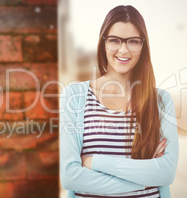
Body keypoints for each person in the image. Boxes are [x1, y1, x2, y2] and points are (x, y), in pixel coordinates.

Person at [59, 5, 179, 198]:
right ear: (103, 43)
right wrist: (144, 181)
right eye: (114, 40)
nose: (123, 50)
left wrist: (93, 162)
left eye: (132, 41)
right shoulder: (74, 96)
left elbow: (166, 173)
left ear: (143, 45)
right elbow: (70, 177)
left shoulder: (161, 101)